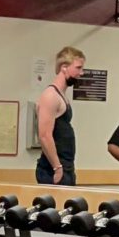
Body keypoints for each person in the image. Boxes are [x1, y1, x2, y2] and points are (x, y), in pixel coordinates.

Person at [35, 46, 85, 186]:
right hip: (53, 169)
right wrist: (57, 168)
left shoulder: (62, 96)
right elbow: (44, 135)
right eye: (78, 68)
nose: (81, 73)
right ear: (64, 67)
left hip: (66, 166)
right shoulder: (50, 96)